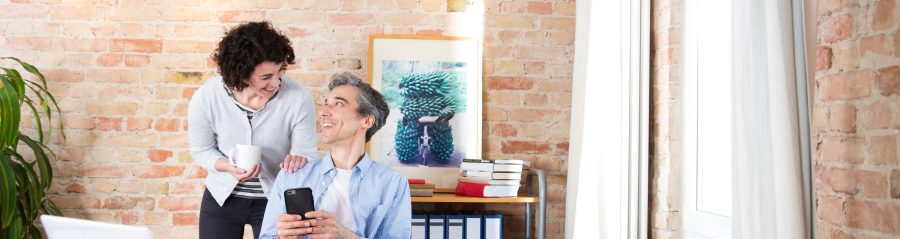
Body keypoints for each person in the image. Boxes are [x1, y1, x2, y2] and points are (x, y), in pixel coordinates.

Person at [188, 21, 317, 239]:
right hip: (222, 198)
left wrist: (299, 160)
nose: (275, 83)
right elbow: (201, 150)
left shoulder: (297, 97)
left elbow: (308, 153)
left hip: (276, 199)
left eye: (279, 72)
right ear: (240, 74)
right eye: (266, 77)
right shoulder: (207, 96)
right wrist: (226, 166)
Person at [259, 73, 412, 239]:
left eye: (338, 104)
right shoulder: (293, 176)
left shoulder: (392, 183)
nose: (324, 112)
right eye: (326, 104)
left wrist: (346, 236)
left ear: (367, 121)